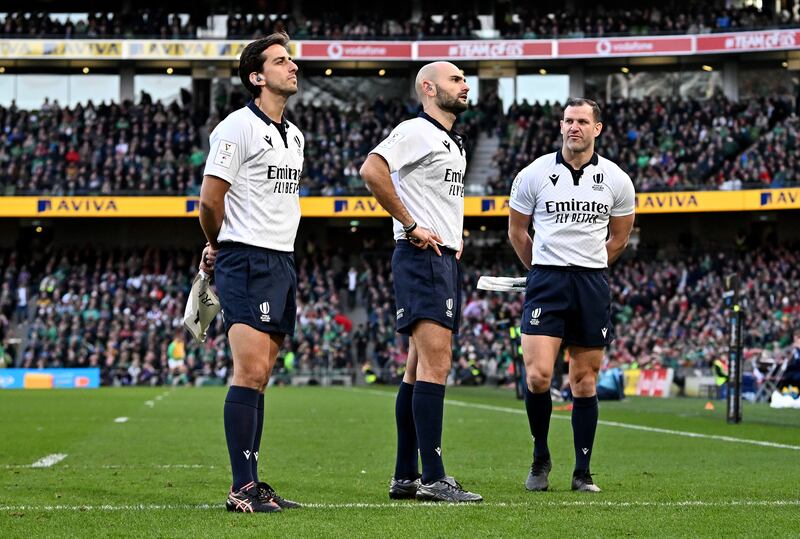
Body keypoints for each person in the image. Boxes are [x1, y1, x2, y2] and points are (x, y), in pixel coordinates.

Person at [360, 61, 481, 503]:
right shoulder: (416, 130)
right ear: (428, 88)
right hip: (422, 256)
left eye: (465, 79)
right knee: (436, 364)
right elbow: (372, 170)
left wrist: (454, 235)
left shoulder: (452, 140)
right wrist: (412, 225)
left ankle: (406, 476)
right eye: (455, 79)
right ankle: (434, 477)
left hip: (439, 256)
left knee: (415, 369)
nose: (465, 85)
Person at [507, 97, 635, 493]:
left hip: (591, 283)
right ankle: (541, 457)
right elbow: (517, 232)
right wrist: (541, 270)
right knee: (539, 375)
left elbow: (620, 237)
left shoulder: (617, 179)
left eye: (581, 121)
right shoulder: (533, 174)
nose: (573, 127)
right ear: (560, 127)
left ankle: (582, 472)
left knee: (584, 382)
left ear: (597, 128)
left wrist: (591, 263)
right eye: (567, 121)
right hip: (547, 281)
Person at [198, 32, 303, 513]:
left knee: (262, 378)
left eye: (291, 60)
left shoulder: (295, 134)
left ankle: (253, 483)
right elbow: (209, 200)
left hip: (282, 260)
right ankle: (240, 487)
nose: (292, 66)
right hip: (245, 258)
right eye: (281, 61)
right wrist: (217, 244)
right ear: (257, 77)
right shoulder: (235, 128)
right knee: (250, 370)